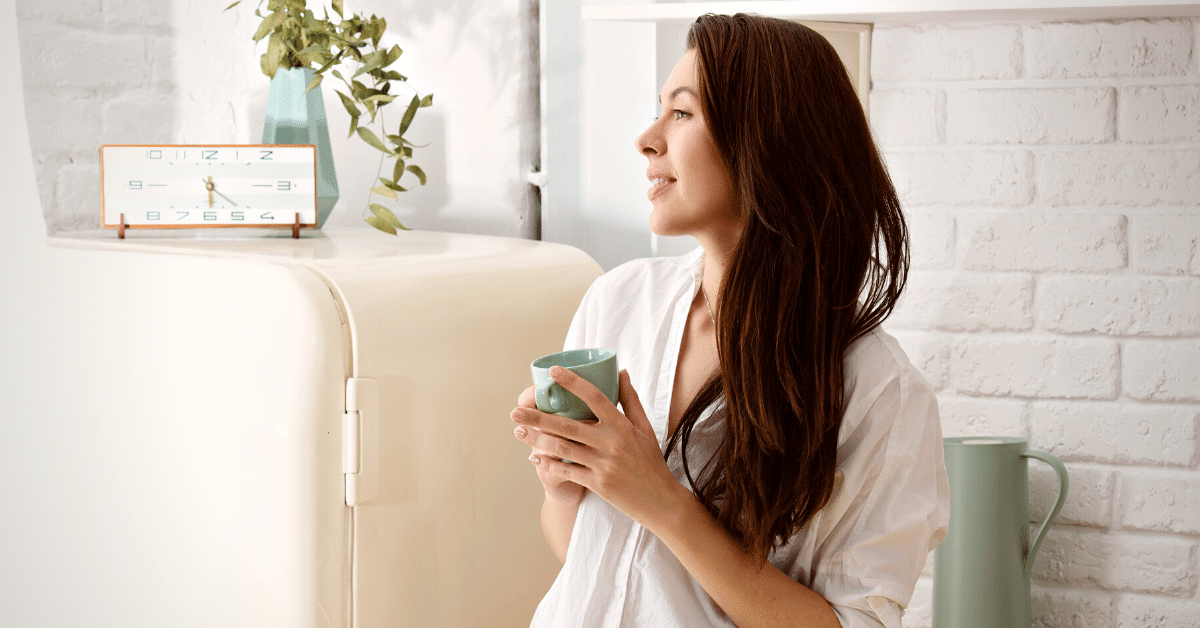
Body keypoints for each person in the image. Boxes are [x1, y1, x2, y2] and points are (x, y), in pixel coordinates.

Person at [509, 13, 950, 628]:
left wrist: (662, 502)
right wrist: (567, 483)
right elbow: (599, 566)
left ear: (769, 143)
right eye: (658, 109)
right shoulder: (617, 300)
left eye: (682, 113)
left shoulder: (880, 391)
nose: (647, 137)